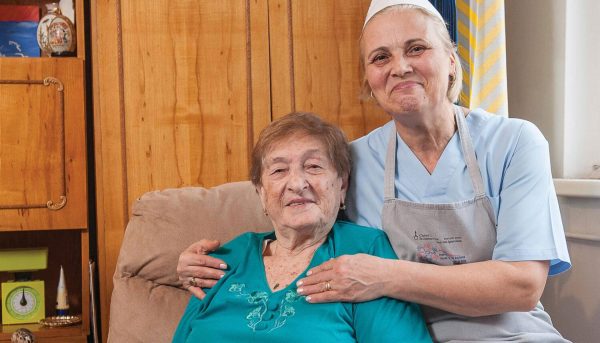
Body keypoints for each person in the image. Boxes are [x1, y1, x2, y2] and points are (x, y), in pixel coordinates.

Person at [176, 0, 572, 341]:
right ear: (369, 79)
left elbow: (523, 285)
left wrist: (386, 276)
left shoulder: (515, 142)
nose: (399, 67)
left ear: (451, 61)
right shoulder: (352, 159)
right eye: (380, 57)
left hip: (512, 335)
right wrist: (204, 263)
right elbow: (296, 229)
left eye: (416, 48)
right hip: (402, 330)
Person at [173, 112, 432, 342]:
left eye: (313, 166)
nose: (297, 183)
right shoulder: (223, 260)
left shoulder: (365, 251)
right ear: (261, 192)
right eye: (279, 170)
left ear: (342, 185)